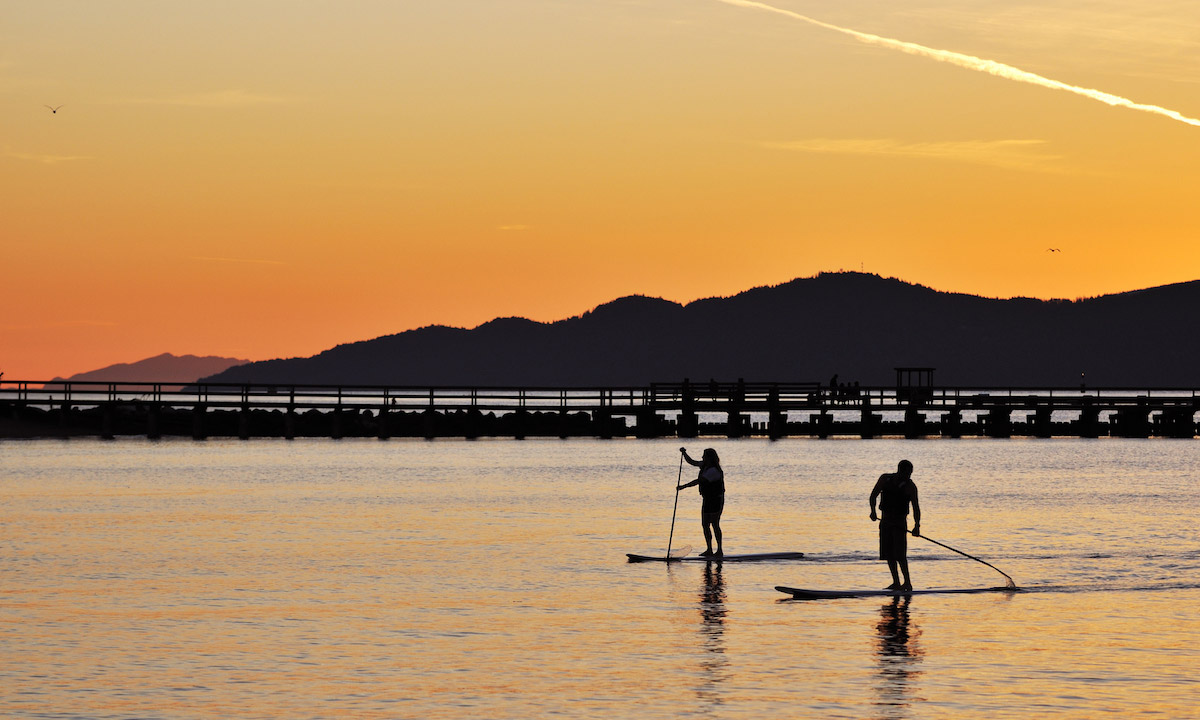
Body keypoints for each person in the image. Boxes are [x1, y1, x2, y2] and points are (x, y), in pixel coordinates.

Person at [869, 459, 921, 591]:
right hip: (885, 521)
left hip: (899, 522)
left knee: (900, 554)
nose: (909, 476)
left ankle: (907, 582)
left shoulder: (910, 486)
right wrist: (873, 512)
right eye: (907, 473)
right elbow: (873, 496)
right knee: (888, 553)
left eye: (910, 473)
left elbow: (916, 508)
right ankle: (896, 582)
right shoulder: (885, 479)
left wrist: (916, 526)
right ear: (900, 470)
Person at [678, 447, 725, 557]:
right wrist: (684, 453)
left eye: (704, 456)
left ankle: (719, 550)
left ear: (709, 458)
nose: (702, 457)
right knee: (705, 524)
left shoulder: (713, 471)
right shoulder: (704, 465)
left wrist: (683, 486)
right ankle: (709, 549)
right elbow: (692, 462)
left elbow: (699, 481)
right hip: (707, 499)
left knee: (714, 524)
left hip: (716, 499)